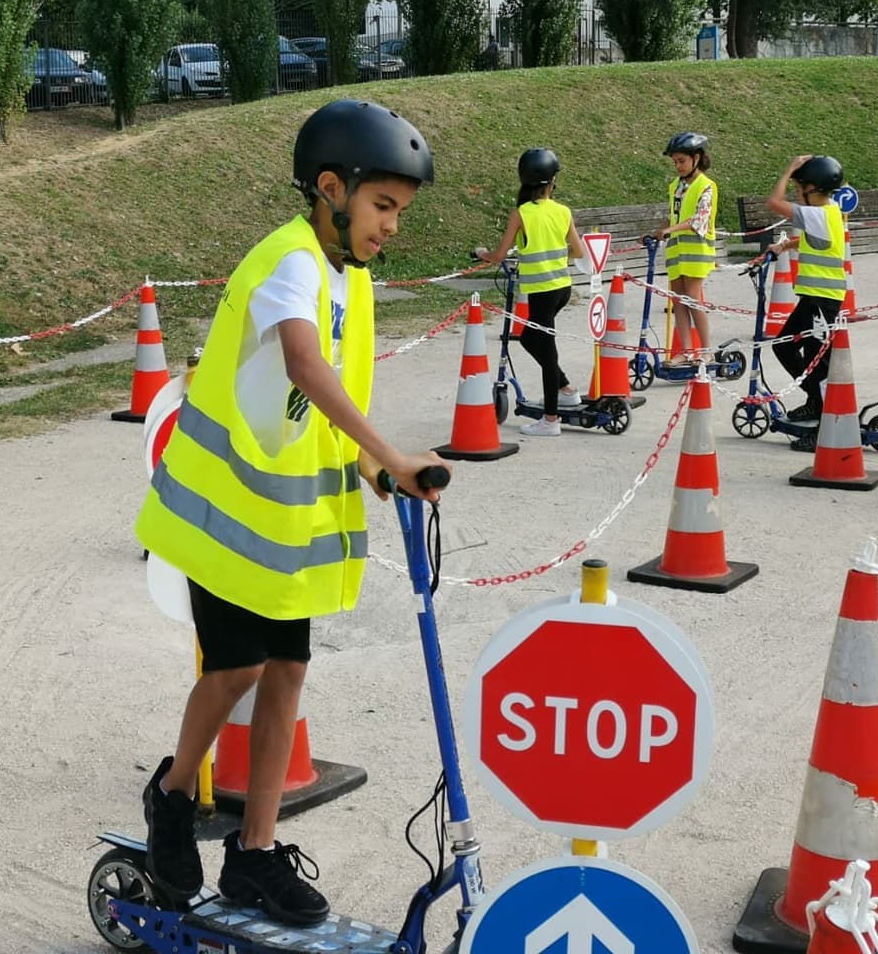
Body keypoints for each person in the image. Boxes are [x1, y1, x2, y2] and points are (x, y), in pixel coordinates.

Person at [133, 98, 450, 924]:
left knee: (287, 677)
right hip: (221, 518)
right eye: (383, 206)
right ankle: (172, 797)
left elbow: (326, 407)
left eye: (399, 213)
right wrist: (390, 450)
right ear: (331, 188)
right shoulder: (290, 262)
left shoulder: (352, 280)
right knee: (235, 670)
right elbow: (305, 367)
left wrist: (381, 475)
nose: (391, 227)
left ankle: (256, 855)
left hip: (278, 533)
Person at [474, 147, 584, 437]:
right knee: (528, 338)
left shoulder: (521, 214)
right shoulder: (563, 211)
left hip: (541, 292)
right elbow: (579, 250)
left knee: (546, 351)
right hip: (562, 288)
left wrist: (482, 253)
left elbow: (498, 255)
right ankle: (566, 388)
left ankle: (551, 420)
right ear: (551, 183)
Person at [764, 154, 848, 429]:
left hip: (824, 300)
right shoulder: (829, 210)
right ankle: (815, 400)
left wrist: (789, 169)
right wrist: (784, 246)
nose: (796, 193)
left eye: (799, 188)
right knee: (784, 346)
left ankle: (828, 424)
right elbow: (814, 240)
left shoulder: (817, 214)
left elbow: (773, 203)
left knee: (818, 362)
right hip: (813, 298)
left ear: (812, 188)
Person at [652, 132, 718, 366]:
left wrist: (670, 230)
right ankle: (687, 351)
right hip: (676, 254)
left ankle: (707, 351)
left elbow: (697, 221)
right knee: (678, 302)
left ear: (696, 158)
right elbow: (674, 217)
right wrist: (658, 231)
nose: (678, 166)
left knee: (692, 299)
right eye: (675, 162)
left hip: (696, 254)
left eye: (681, 161)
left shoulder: (706, 187)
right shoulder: (675, 187)